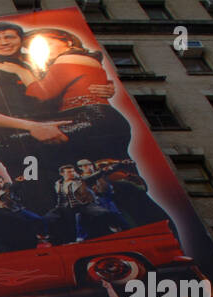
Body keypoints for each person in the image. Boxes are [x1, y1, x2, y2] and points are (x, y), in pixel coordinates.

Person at [0, 22, 115, 210]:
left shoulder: (46, 64)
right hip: (24, 146)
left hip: (67, 137)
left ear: (20, 39)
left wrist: (104, 86)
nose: (3, 42)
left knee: (94, 195)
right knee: (39, 196)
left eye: (9, 36)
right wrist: (31, 127)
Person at [19, 27, 132, 182]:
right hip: (102, 119)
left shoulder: (66, 59)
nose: (38, 51)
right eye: (31, 48)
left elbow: (39, 95)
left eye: (46, 44)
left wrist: (22, 74)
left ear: (68, 41)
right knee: (114, 176)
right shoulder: (79, 59)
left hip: (90, 119)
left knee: (23, 142)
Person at [46, 165, 127, 243]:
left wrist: (106, 169)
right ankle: (48, 236)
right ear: (62, 174)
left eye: (73, 171)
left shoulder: (81, 180)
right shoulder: (58, 183)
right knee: (49, 217)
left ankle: (117, 228)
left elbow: (96, 175)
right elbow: (61, 197)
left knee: (105, 213)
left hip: (82, 205)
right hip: (66, 207)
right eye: (69, 172)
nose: (72, 173)